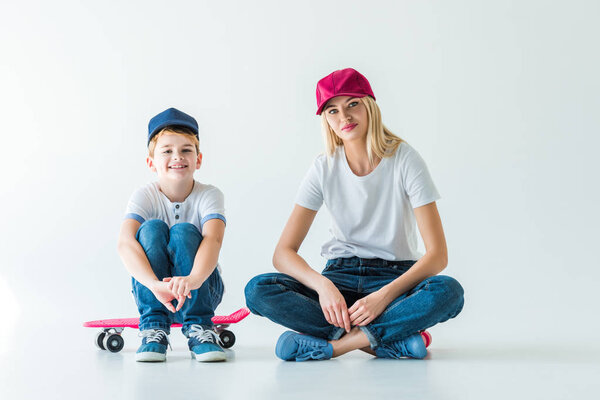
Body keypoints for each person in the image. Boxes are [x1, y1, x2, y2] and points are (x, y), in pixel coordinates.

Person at [245, 68, 464, 361]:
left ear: (370, 105)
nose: (344, 117)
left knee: (448, 291)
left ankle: (336, 346)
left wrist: (383, 297)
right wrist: (323, 287)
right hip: (339, 278)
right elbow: (283, 253)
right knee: (258, 289)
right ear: (326, 120)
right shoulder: (323, 167)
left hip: (394, 280)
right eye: (333, 110)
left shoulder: (405, 159)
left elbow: (437, 255)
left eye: (352, 104)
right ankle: (387, 340)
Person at [117, 108, 227, 362]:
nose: (177, 156)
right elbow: (124, 242)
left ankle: (200, 327)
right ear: (151, 162)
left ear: (198, 159)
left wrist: (193, 279)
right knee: (151, 228)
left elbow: (214, 239)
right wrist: (154, 285)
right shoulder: (144, 196)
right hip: (155, 292)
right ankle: (153, 326)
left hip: (201, 289)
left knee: (183, 231)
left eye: (186, 149)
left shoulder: (209, 195)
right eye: (167, 150)